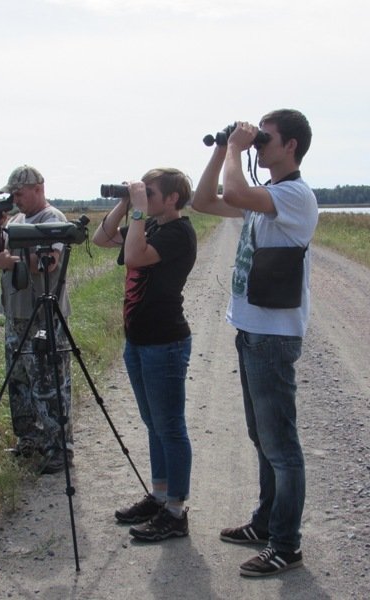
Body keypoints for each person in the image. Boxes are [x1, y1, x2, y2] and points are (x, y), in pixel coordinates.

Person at [192, 110, 318, 576]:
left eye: (267, 140)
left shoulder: (294, 195)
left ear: (291, 146)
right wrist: (219, 150)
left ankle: (287, 543)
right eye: (256, 140)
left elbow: (236, 191)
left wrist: (235, 150)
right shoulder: (266, 199)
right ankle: (265, 523)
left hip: (274, 336)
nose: (258, 147)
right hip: (252, 330)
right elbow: (206, 200)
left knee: (281, 446)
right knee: (261, 438)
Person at [91, 168, 197, 542]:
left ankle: (175, 512)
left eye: (150, 194)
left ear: (172, 198)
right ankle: (159, 496)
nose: (145, 199)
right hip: (138, 341)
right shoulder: (149, 226)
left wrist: (137, 211)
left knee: (170, 427)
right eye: (143, 193)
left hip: (165, 343)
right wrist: (125, 203)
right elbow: (102, 238)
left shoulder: (178, 234)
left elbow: (134, 256)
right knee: (154, 425)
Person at [0, 165, 73, 475]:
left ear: (38, 188)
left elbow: (50, 262)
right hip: (15, 315)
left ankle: (58, 448)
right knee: (19, 383)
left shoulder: (53, 219)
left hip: (43, 315)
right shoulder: (17, 220)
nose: (15, 199)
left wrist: (12, 261)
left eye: (19, 193)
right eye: (11, 194)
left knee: (48, 384)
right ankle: (29, 440)